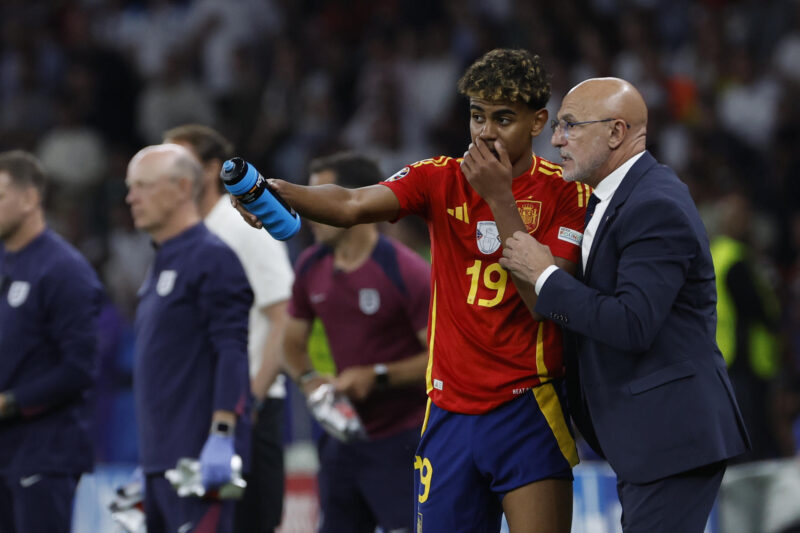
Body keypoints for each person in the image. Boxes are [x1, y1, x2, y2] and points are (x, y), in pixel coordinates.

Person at [236, 48, 586, 533]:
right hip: (447, 411)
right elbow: (353, 201)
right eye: (477, 116)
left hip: (527, 406)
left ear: (538, 121)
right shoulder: (439, 177)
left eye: (503, 119)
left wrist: (499, 199)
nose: (485, 132)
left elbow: (545, 303)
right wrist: (276, 191)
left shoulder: (567, 194)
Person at [497, 77, 751, 532]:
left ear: (616, 133)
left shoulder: (655, 204)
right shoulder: (613, 199)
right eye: (557, 126)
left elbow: (633, 322)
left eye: (570, 126)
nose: (556, 140)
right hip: (648, 439)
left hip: (672, 437)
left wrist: (545, 276)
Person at [284, 153, 430, 533]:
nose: (310, 210)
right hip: (342, 441)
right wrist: (311, 382)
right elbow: (291, 344)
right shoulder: (310, 266)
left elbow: (441, 358)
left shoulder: (406, 271)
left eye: (320, 198)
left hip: (403, 441)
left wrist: (378, 376)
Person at [163, 124, 293, 533]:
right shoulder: (185, 237)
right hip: (204, 412)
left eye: (179, 163)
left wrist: (247, 404)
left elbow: (284, 316)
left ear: (212, 169)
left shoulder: (243, 229)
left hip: (246, 412)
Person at [126, 143, 253, 533]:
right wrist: (148, 463)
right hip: (161, 464)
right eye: (131, 187)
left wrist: (222, 433)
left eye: (143, 186)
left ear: (183, 188)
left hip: (198, 464)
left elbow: (232, 350)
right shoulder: (163, 258)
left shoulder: (212, 257)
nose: (131, 197)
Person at [0, 150, 103, 533]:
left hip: (45, 452)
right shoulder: (5, 262)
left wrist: (9, 402)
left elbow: (79, 368)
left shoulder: (64, 270)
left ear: (29, 199)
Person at [711, 191, 781, 462]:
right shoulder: (737, 259)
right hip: (746, 361)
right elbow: (759, 310)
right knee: (752, 439)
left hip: (721, 359)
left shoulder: (715, 253)